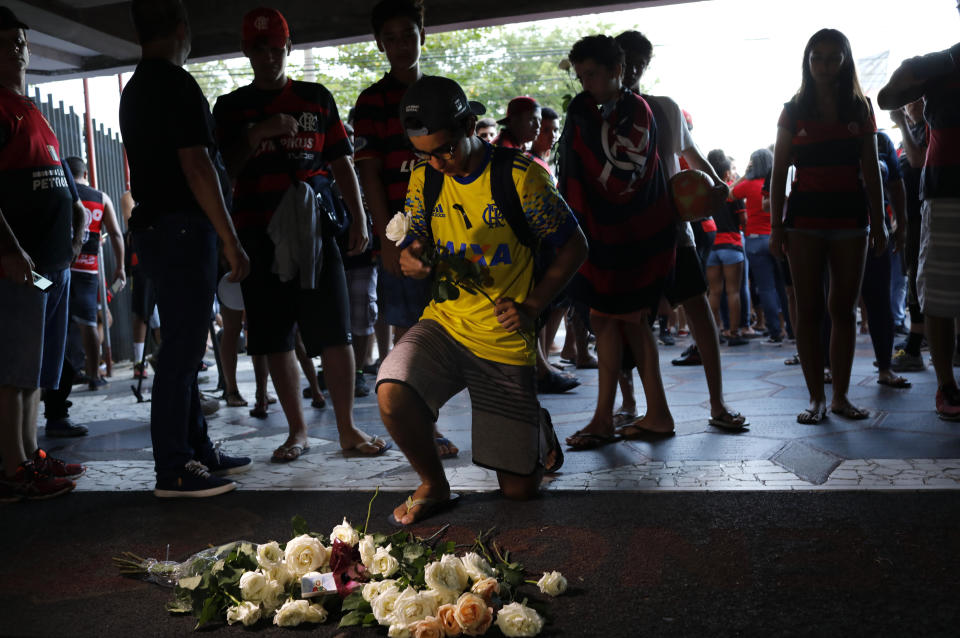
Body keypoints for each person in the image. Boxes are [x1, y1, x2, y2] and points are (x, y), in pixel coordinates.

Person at [377, 75, 587, 525]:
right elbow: (415, 242)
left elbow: (575, 246)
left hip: (503, 337)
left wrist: (532, 306)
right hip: (445, 324)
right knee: (392, 388)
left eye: (446, 149)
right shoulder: (424, 180)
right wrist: (412, 259)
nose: (437, 163)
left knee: (520, 494)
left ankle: (535, 426)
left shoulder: (521, 178)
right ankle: (434, 483)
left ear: (470, 125)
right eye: (425, 154)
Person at [213, 7, 385, 462]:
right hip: (255, 234)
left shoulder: (316, 97)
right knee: (272, 336)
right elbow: (221, 171)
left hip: (315, 232)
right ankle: (297, 432)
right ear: (247, 51)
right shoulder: (231, 108)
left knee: (335, 332)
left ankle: (347, 429)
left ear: (288, 48)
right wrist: (258, 133)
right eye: (258, 49)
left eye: (276, 49)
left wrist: (360, 218)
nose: (268, 57)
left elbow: (341, 161)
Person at [120, 0, 252, 497]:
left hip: (157, 229)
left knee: (182, 345)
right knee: (181, 352)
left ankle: (195, 449)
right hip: (180, 229)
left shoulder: (135, 89)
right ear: (182, 28)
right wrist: (229, 237)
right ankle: (174, 467)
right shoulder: (176, 84)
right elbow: (197, 166)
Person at [613, 29, 746, 431]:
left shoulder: (666, 108)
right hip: (622, 232)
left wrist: (716, 183)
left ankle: (718, 403)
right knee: (625, 318)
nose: (633, 67)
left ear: (646, 66)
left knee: (699, 309)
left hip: (672, 229)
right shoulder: (598, 112)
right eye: (626, 59)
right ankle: (630, 401)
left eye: (640, 61)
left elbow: (692, 155)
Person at [558, 34, 678, 447]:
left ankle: (655, 413)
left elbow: (624, 171)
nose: (584, 83)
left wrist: (588, 123)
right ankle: (603, 417)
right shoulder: (586, 109)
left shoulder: (637, 109)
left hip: (637, 232)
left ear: (616, 71)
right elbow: (572, 168)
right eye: (580, 76)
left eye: (591, 74)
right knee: (605, 320)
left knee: (630, 320)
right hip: (598, 233)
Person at [353, 0, 457, 458]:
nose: (399, 44)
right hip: (402, 235)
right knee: (408, 335)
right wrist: (386, 240)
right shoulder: (371, 102)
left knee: (452, 330)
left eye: (407, 35)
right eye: (389, 38)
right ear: (380, 44)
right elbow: (370, 174)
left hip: (451, 232)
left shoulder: (442, 93)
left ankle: (432, 423)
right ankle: (420, 428)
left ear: (422, 37)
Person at [770, 29, 887, 424]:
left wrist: (882, 223)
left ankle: (839, 396)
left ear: (845, 61)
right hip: (803, 220)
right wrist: (775, 227)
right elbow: (779, 171)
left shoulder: (860, 107)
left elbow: (872, 172)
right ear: (807, 61)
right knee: (809, 309)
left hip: (852, 219)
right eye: (817, 57)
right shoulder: (793, 108)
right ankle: (815, 398)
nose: (823, 65)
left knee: (843, 308)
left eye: (832, 57)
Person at [0, 6, 88, 501]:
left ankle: (31, 455)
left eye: (22, 41)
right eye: (7, 41)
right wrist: (9, 250)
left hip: (54, 267)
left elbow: (62, 193)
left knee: (35, 369)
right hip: (21, 268)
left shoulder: (32, 111)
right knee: (14, 370)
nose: (18, 49)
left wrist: (74, 241)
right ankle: (12, 467)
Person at [878, 22, 960, 420]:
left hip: (943, 188)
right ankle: (947, 386)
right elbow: (887, 96)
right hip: (947, 191)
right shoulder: (943, 64)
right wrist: (935, 63)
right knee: (940, 294)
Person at [63, 157, 125, 389]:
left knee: (57, 320)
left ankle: (56, 378)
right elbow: (117, 234)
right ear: (86, 174)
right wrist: (120, 267)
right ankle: (93, 375)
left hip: (60, 269)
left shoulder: (62, 192)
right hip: (89, 270)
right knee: (90, 322)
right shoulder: (101, 197)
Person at [888, 100, 927, 372]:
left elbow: (917, 161)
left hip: (924, 218)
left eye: (916, 100)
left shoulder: (928, 129)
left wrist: (901, 123)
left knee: (918, 281)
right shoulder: (914, 133)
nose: (909, 106)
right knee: (914, 280)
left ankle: (915, 346)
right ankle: (916, 340)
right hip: (913, 218)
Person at [733, 148, 783, 342]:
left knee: (766, 288)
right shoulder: (774, 184)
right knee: (784, 287)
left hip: (754, 240)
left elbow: (728, 194)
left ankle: (775, 331)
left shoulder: (748, 184)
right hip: (775, 236)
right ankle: (791, 329)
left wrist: (744, 175)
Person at [706, 150, 748, 347]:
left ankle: (714, 331)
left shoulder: (705, 194)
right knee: (733, 291)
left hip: (711, 246)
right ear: (725, 173)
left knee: (714, 292)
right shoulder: (731, 193)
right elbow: (743, 220)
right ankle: (733, 332)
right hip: (731, 244)